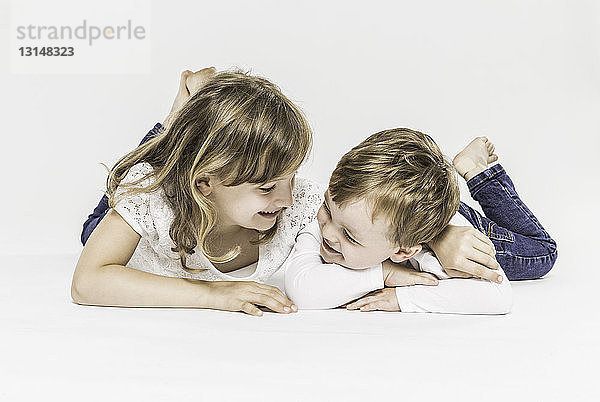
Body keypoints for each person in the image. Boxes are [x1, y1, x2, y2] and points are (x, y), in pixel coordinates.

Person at [73, 67, 503, 316]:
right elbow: (87, 282)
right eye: (266, 188)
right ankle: (176, 121)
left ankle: (193, 124)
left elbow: (378, 206)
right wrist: (212, 295)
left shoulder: (302, 205)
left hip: (203, 189)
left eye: (291, 177)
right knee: (133, 183)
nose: (287, 199)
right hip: (163, 212)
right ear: (206, 184)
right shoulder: (152, 204)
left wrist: (440, 232)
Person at [284, 129, 557, 314]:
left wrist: (404, 298)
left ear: (404, 251)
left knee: (543, 252)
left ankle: (479, 174)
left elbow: (498, 297)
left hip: (463, 230)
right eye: (327, 209)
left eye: (350, 237)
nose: (328, 233)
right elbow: (304, 292)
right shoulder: (337, 220)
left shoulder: (437, 258)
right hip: (407, 215)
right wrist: (385, 273)